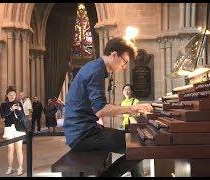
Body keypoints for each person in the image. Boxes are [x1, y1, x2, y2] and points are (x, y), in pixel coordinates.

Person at [63, 37, 153, 177]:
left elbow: (97, 109)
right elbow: (101, 110)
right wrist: (132, 108)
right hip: (81, 135)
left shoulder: (95, 67)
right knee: (140, 147)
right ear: (114, 54)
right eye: (124, 62)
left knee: (135, 142)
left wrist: (129, 110)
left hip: (85, 131)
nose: (124, 67)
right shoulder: (95, 70)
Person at [0, 86, 26, 176]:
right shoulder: (3, 105)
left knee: (19, 149)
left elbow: (22, 116)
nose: (12, 96)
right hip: (9, 128)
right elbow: (3, 117)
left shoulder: (19, 103)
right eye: (10, 95)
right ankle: (10, 167)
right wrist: (11, 109)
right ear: (7, 95)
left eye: (14, 95)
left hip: (19, 128)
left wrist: (19, 110)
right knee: (10, 149)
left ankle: (20, 167)